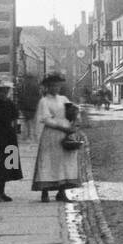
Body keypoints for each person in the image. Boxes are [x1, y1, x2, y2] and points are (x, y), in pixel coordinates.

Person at [32, 73, 81, 203]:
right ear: (47, 87)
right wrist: (61, 127)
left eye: (58, 86)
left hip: (64, 134)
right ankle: (45, 192)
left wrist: (74, 119)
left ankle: (62, 192)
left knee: (63, 163)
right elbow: (46, 119)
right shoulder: (44, 101)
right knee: (48, 161)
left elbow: (72, 111)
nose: (55, 89)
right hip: (51, 135)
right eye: (53, 86)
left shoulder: (63, 99)